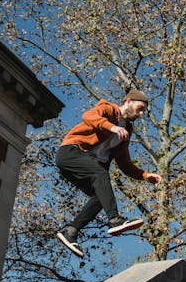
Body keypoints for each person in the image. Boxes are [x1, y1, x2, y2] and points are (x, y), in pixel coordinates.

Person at [55, 89, 162, 257]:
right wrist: (111, 126)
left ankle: (71, 231)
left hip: (87, 166)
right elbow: (88, 117)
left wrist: (144, 175)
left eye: (143, 111)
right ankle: (114, 220)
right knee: (101, 175)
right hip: (70, 153)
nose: (140, 114)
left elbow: (124, 163)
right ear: (128, 101)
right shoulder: (108, 109)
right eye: (139, 108)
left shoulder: (127, 129)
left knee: (100, 196)